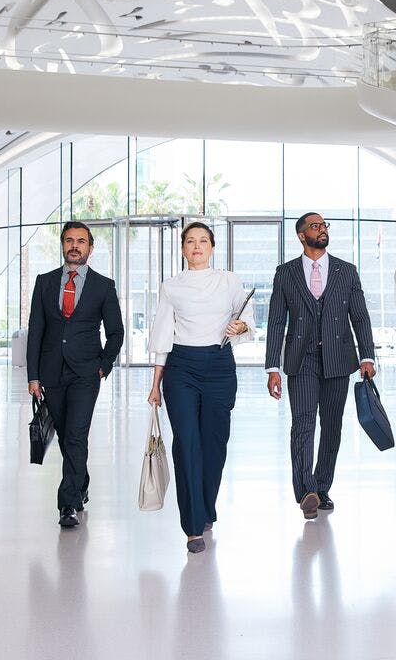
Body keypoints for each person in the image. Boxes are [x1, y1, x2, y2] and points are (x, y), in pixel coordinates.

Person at [147, 222, 255, 554]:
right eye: (190, 241)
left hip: (220, 366)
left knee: (214, 445)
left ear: (212, 247)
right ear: (183, 249)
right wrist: (155, 385)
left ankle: (206, 506)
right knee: (187, 444)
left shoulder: (229, 281)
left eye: (203, 241)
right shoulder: (171, 287)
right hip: (181, 369)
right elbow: (163, 335)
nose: (197, 246)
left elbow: (247, 317)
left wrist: (241, 326)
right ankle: (193, 527)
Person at [266, 212, 376, 520]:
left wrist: (367, 356)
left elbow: (360, 317)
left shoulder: (347, 271)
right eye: (315, 226)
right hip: (301, 360)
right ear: (302, 235)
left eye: (324, 225)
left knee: (332, 426)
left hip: (339, 360)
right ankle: (306, 491)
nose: (322, 229)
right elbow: (276, 321)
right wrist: (271, 366)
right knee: (302, 423)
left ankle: (322, 486)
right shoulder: (285, 273)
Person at [27, 221, 124, 528]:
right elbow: (36, 333)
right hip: (51, 371)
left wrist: (103, 365)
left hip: (85, 372)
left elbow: (116, 332)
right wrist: (33, 376)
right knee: (68, 437)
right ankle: (80, 481)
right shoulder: (44, 282)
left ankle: (67, 504)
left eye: (81, 241)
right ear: (63, 245)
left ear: (90, 248)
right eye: (69, 240)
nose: (74, 245)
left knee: (76, 434)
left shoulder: (103, 286)